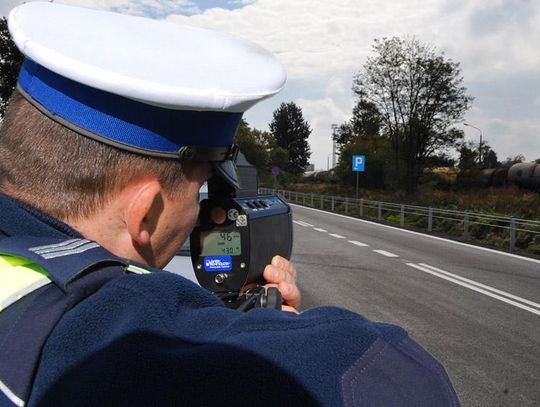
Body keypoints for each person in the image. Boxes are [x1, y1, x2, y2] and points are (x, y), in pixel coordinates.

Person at [0, 3, 460, 406]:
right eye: (200, 188)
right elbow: (397, 378)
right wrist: (266, 335)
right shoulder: (114, 351)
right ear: (146, 212)